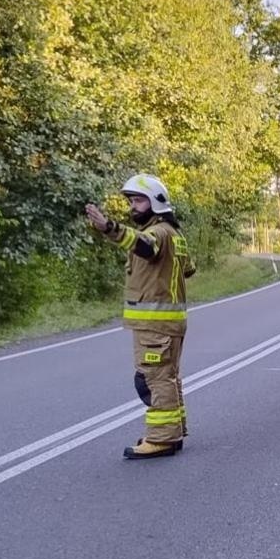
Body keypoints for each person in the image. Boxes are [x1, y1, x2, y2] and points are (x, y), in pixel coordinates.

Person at [84, 173, 194, 459]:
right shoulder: (175, 235)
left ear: (156, 202)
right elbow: (189, 269)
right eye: (131, 201)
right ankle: (173, 432)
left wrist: (109, 227)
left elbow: (144, 245)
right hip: (168, 322)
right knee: (167, 378)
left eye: (138, 201)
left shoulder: (158, 233)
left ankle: (161, 439)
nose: (133, 206)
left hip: (155, 323)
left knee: (153, 379)